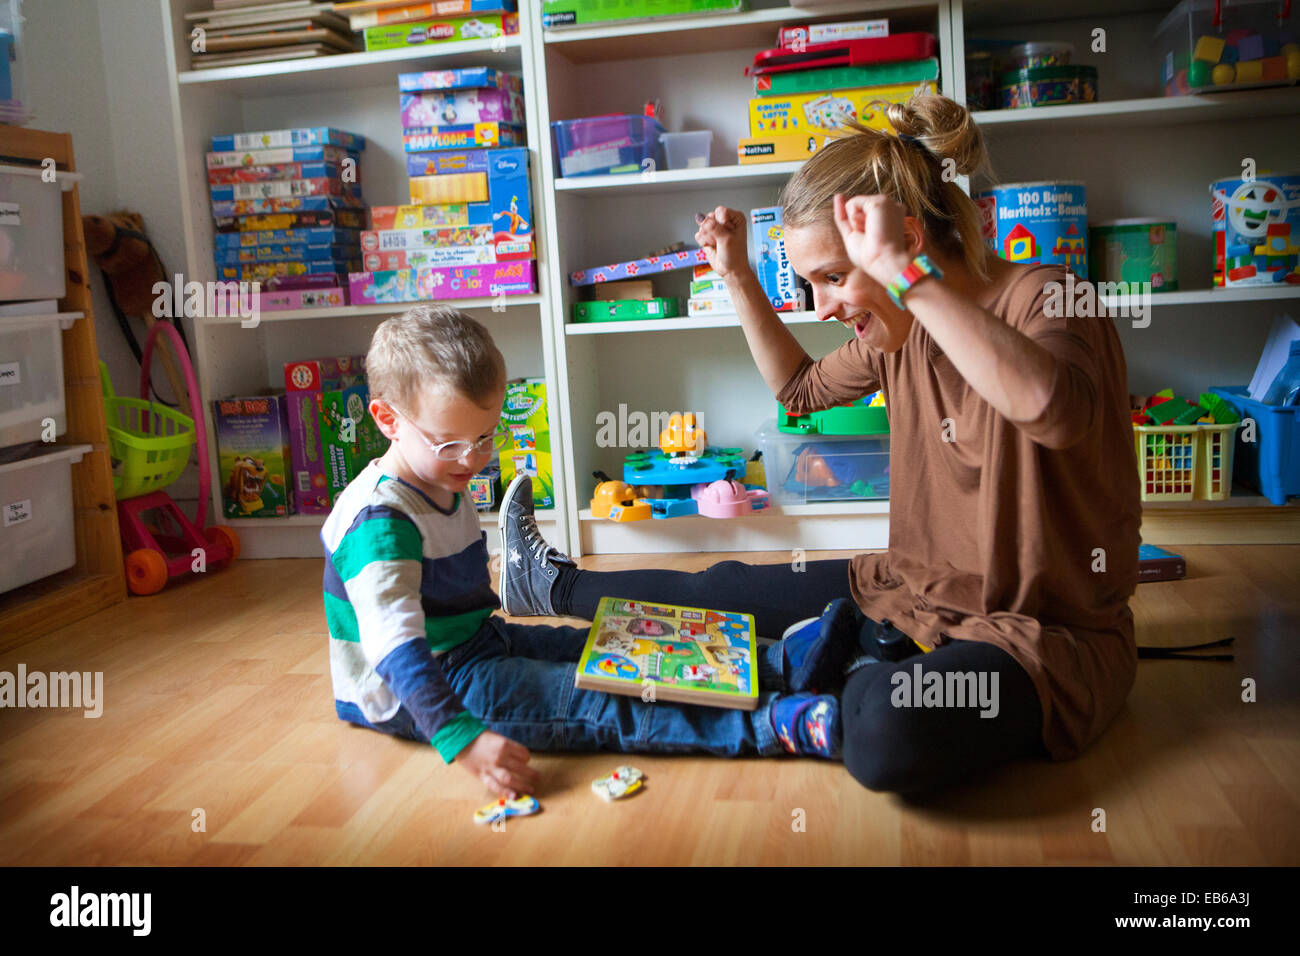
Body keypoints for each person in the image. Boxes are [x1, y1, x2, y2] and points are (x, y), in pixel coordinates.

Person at [500, 92, 1143, 795]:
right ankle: (551, 584)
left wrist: (908, 281)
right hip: (912, 589)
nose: (824, 307)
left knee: (891, 732)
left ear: (908, 246)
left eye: (836, 278)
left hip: (1037, 638)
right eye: (812, 284)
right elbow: (800, 392)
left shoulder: (1047, 299)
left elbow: (1051, 410)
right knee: (724, 588)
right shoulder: (895, 328)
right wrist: (739, 276)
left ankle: (852, 667)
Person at [321, 305, 851, 800]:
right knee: (591, 697)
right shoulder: (379, 524)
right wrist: (461, 738)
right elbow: (395, 650)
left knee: (610, 643)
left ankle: (774, 662)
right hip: (420, 687)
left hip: (474, 642)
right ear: (388, 420)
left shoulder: (440, 473)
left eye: (486, 436)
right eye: (450, 443)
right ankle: (771, 725)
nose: (474, 458)